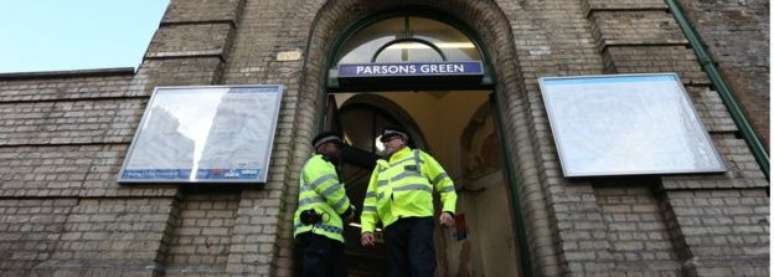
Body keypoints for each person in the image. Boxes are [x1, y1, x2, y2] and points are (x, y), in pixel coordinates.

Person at [360, 126, 457, 277]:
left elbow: (445, 184)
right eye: (384, 141)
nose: (386, 144)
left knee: (420, 266)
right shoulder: (380, 168)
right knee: (396, 272)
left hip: (418, 220)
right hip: (391, 226)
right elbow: (370, 202)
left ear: (403, 140)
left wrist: (448, 209)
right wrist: (367, 228)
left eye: (390, 139)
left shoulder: (419, 157)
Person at [294, 131, 354, 277]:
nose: (339, 151)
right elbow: (331, 190)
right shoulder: (318, 162)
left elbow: (336, 194)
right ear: (324, 146)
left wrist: (350, 208)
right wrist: (348, 211)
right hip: (317, 231)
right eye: (336, 146)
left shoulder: (329, 166)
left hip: (327, 233)